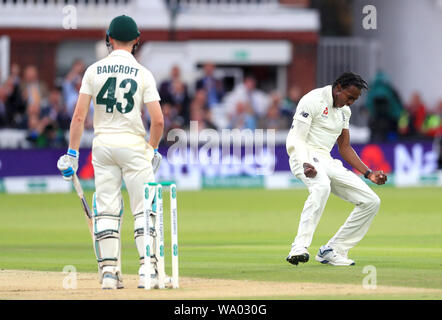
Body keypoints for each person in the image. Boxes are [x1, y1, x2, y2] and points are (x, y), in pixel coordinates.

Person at [56, 15, 164, 289]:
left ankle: (108, 273)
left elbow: (79, 117)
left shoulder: (93, 70)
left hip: (103, 146)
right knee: (144, 209)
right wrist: (152, 149)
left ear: (109, 39)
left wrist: (72, 154)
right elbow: (159, 120)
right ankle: (147, 271)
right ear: (137, 40)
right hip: (133, 145)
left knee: (105, 209)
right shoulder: (143, 73)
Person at [285, 72, 387, 267]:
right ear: (338, 87)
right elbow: (297, 138)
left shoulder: (344, 111)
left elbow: (345, 147)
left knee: (371, 201)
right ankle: (299, 247)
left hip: (326, 159)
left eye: (355, 100)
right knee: (321, 186)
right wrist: (306, 162)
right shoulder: (312, 100)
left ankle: (333, 250)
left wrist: (369, 173)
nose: (351, 103)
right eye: (349, 97)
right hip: (303, 155)